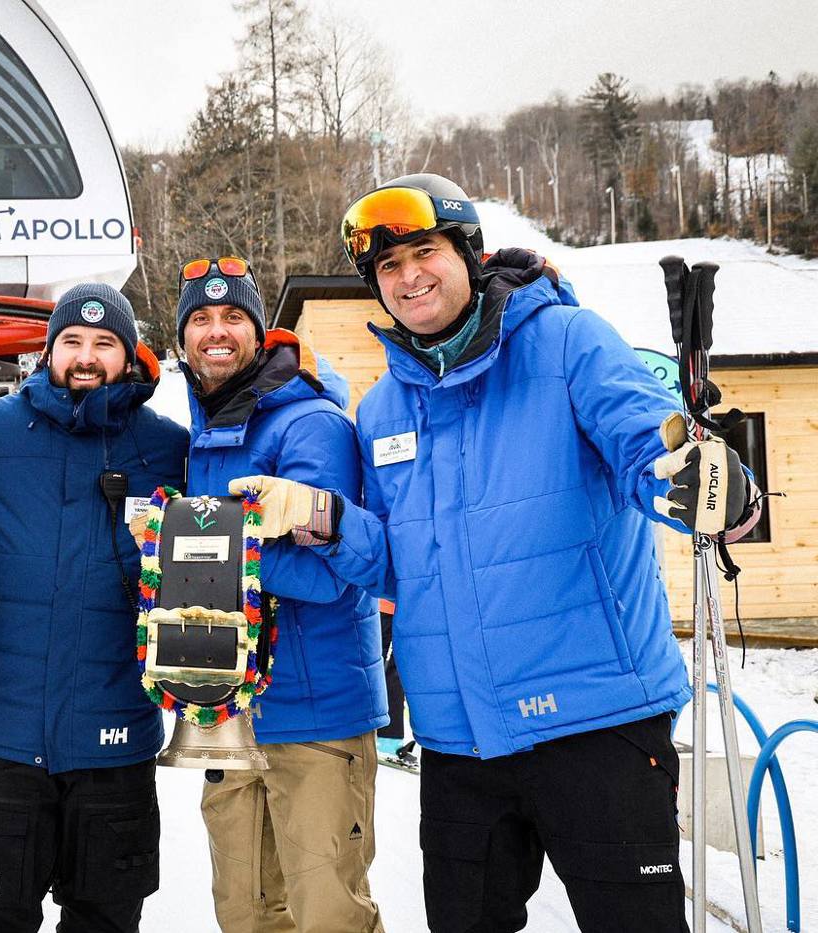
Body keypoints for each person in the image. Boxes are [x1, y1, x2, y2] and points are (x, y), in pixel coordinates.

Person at [339, 173, 763, 933]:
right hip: (459, 741)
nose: (408, 278)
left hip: (595, 723)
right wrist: (321, 523)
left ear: (469, 253)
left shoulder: (569, 342)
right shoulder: (381, 410)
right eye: (388, 268)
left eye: (424, 252)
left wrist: (711, 486)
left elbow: (648, 444)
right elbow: (387, 559)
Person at [0, 283, 188, 933]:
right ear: (48, 350)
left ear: (129, 355)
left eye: (104, 342)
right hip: (0, 740)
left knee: (105, 920)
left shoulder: (167, 449)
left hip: (114, 743)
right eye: (71, 341)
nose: (86, 355)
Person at [174, 256, 389, 933]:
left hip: (316, 717)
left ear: (260, 332)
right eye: (201, 319)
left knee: (328, 916)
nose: (216, 331)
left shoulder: (309, 423)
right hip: (230, 710)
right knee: (246, 913)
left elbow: (331, 575)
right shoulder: (205, 432)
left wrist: (207, 549)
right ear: (182, 338)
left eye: (233, 316)